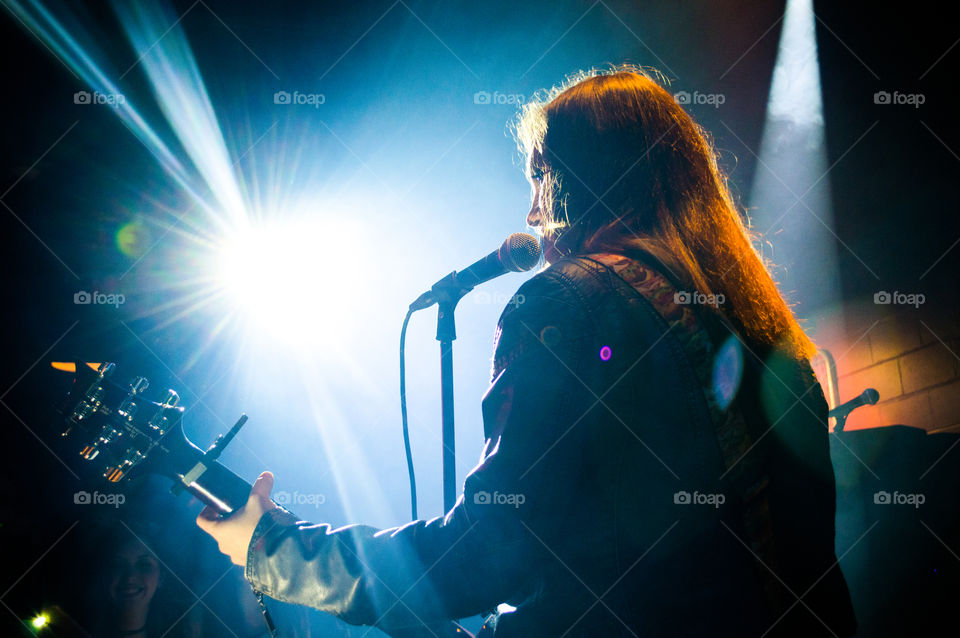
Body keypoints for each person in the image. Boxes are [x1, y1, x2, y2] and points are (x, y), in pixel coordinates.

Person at [196, 66, 857, 638]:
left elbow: (493, 550)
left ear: (583, 177)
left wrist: (273, 551)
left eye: (541, 174)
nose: (532, 211)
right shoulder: (771, 341)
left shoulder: (564, 303)